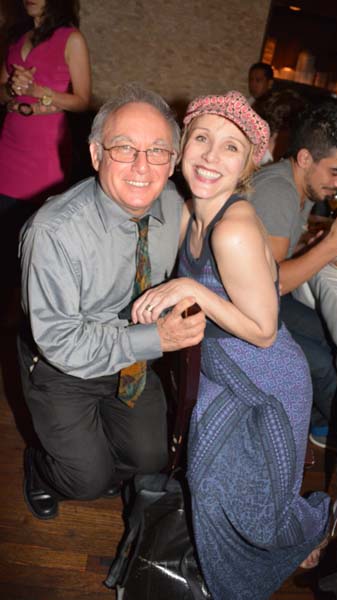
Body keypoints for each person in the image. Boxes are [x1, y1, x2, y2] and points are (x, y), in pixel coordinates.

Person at [131, 91, 331, 600]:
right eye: (201, 138)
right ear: (182, 145)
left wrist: (193, 290)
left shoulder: (233, 229)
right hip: (224, 368)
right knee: (209, 480)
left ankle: (301, 533)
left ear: (246, 167)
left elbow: (265, 331)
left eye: (230, 148)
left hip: (267, 382)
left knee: (245, 504)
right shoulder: (187, 210)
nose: (209, 156)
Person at [18, 83, 206, 521]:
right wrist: (155, 337)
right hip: (60, 366)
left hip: (130, 362)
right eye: (123, 148)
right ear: (96, 155)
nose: (142, 166)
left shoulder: (174, 206)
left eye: (158, 151)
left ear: (173, 161)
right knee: (84, 481)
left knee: (148, 459)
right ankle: (44, 469)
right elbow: (61, 342)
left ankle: (89, 454)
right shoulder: (53, 232)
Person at [249, 101, 337, 448]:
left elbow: (264, 261)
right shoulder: (278, 191)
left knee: (334, 332)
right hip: (239, 314)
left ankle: (317, 419)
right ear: (305, 158)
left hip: (260, 303)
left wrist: (316, 244)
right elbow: (271, 283)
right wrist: (332, 245)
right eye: (335, 172)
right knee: (326, 364)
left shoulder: (300, 185)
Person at [0, 0, 91, 317]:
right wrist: (13, 89)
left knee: (34, 244)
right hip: (9, 148)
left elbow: (82, 100)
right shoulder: (16, 36)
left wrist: (40, 92)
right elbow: (2, 92)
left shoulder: (71, 38)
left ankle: (32, 319)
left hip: (46, 155)